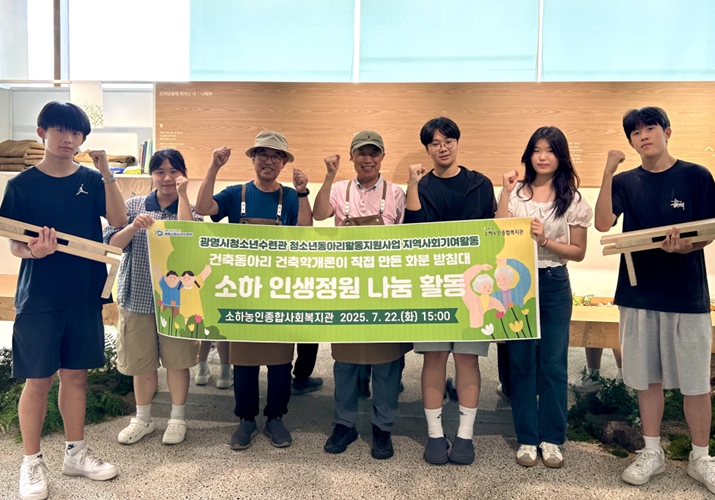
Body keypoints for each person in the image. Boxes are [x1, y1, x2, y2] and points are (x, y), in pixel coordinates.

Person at [1, 102, 126, 500]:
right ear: (42, 132)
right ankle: (31, 461)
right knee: (38, 380)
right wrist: (33, 252)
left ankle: (76, 453)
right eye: (60, 130)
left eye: (76, 133)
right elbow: (15, 242)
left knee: (76, 376)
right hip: (39, 295)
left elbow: (119, 220)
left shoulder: (91, 179)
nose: (69, 139)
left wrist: (107, 173)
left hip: (83, 292)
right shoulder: (21, 185)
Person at [594, 107, 715, 492]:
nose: (643, 136)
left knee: (696, 381)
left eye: (650, 128)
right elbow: (602, 223)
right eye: (636, 132)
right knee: (647, 379)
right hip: (638, 293)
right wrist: (608, 171)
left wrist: (687, 246)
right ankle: (651, 452)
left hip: (687, 294)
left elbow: (708, 230)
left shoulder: (696, 176)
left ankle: (701, 457)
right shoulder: (626, 181)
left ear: (667, 132)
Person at [195, 131, 312, 450]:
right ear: (253, 158)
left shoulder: (291, 197)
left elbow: (305, 233)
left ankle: (276, 418)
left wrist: (303, 193)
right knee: (244, 359)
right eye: (263, 154)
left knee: (280, 360)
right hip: (243, 291)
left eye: (276, 156)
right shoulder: (237, 193)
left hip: (280, 290)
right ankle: (246, 419)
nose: (268, 161)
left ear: (284, 162)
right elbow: (204, 207)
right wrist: (214, 167)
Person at [497, 126, 591, 468]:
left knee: (553, 364)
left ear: (560, 156)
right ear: (529, 154)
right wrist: (505, 192)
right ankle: (526, 437)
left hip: (553, 281)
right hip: (518, 284)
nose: (542, 156)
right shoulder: (517, 194)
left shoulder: (573, 200)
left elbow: (578, 251)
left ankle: (552, 438)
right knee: (521, 363)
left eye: (550, 150)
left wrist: (544, 242)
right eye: (536, 149)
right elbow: (498, 232)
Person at [404, 117, 496, 465]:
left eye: (448, 141)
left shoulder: (480, 184)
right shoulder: (421, 186)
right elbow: (412, 232)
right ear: (427, 148)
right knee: (434, 357)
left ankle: (465, 436)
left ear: (457, 143)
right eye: (435, 143)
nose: (442, 148)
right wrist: (412, 185)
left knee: (468, 358)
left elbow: (492, 231)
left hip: (474, 286)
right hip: (433, 287)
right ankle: (434, 435)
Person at [313, 130, 410, 459]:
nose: (368, 159)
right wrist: (328, 175)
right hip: (347, 288)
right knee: (344, 362)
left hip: (385, 289)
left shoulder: (396, 193)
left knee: (387, 363)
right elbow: (319, 214)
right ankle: (344, 424)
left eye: (374, 153)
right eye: (361, 153)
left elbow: (410, 239)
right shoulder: (339, 189)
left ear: (382, 157)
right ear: (352, 156)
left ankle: (383, 427)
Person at [104, 149, 203, 447]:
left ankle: (177, 418)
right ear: (152, 175)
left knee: (177, 361)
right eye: (160, 172)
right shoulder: (133, 206)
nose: (167, 178)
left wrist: (183, 197)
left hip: (176, 303)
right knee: (141, 362)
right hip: (137, 296)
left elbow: (190, 239)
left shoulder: (191, 208)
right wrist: (133, 226)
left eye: (174, 171)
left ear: (183, 174)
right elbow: (112, 244)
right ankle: (143, 418)